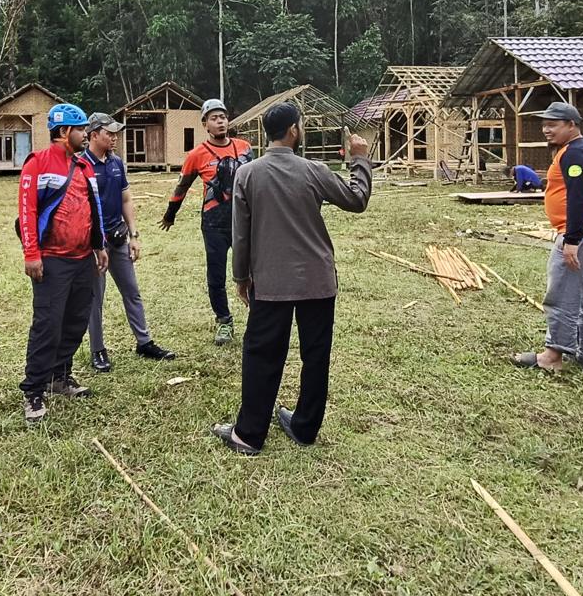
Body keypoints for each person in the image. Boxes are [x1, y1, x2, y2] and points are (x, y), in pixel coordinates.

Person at [210, 103, 372, 455]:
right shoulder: (314, 170)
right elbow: (357, 199)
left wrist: (240, 276)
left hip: (270, 283)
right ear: (294, 131)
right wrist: (359, 158)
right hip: (317, 280)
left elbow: (242, 233)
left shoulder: (248, 174)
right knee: (316, 356)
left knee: (261, 355)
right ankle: (305, 428)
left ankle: (248, 435)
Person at [513, 102, 583, 375]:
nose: (546, 129)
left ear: (572, 125)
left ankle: (552, 356)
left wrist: (572, 239)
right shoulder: (573, 151)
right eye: (545, 124)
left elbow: (578, 198)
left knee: (562, 294)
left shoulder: (576, 154)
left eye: (553, 125)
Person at [18, 103, 108, 424]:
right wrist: (32, 253)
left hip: (83, 258)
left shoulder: (83, 166)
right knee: (48, 323)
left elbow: (93, 208)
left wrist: (99, 245)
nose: (86, 135)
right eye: (82, 129)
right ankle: (34, 390)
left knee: (76, 319)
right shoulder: (37, 164)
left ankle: (60, 375)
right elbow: (26, 211)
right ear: (64, 132)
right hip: (51, 259)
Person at [81, 112, 176, 372]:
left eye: (115, 133)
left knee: (132, 291)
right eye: (109, 133)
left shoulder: (116, 164)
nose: (114, 138)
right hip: (93, 244)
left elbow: (126, 200)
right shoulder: (80, 165)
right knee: (95, 298)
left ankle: (144, 342)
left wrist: (134, 235)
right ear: (93, 134)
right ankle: (98, 349)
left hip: (118, 238)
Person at [159, 98, 253, 345]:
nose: (220, 121)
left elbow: (257, 182)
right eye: (214, 118)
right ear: (205, 124)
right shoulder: (197, 154)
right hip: (214, 223)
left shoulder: (244, 148)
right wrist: (171, 213)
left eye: (222, 116)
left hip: (244, 220)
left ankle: (259, 316)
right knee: (216, 275)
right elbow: (182, 186)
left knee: (253, 270)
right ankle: (224, 321)